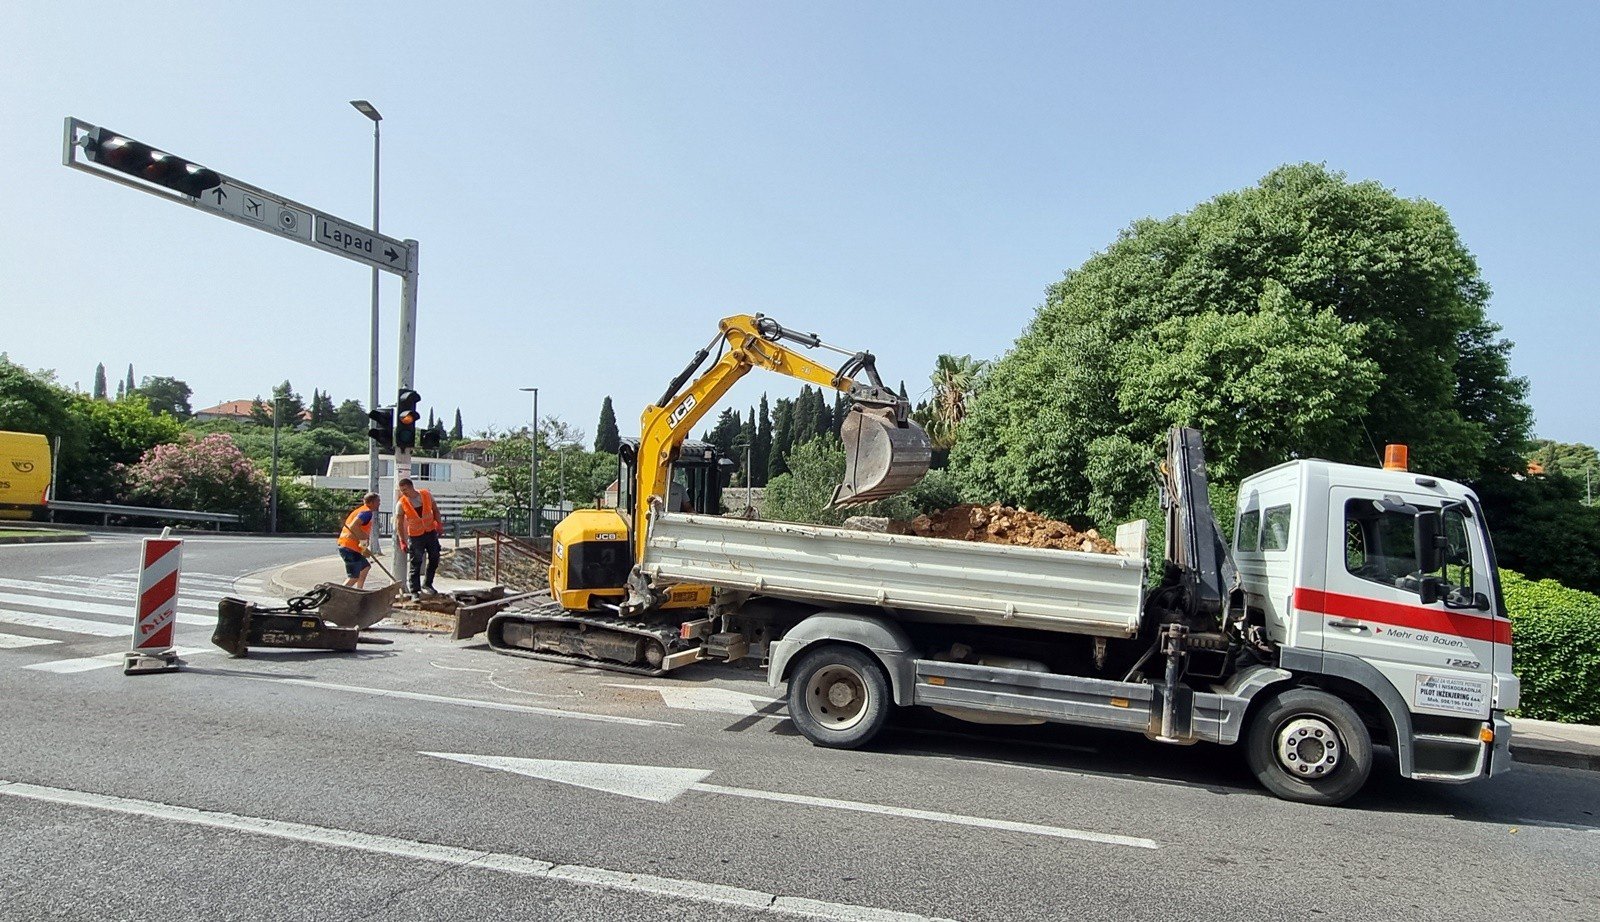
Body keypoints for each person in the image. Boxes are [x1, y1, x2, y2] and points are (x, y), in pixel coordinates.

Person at [396, 477, 444, 597]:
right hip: (415, 535)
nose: (404, 492)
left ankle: (428, 584)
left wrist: (439, 524)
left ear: (411, 487)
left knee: (434, 557)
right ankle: (415, 590)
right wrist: (402, 540)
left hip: (430, 531)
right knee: (415, 562)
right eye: (402, 490)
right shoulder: (401, 503)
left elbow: (435, 510)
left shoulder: (426, 494)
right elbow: (399, 523)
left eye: (405, 489)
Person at [338, 492, 382, 589]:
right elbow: (353, 527)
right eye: (377, 501)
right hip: (349, 547)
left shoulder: (362, 511)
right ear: (371, 502)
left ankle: (359, 590)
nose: (379, 504)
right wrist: (364, 545)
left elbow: (358, 531)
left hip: (349, 546)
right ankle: (337, 594)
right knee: (353, 577)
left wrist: (363, 548)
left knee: (365, 567)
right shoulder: (366, 512)